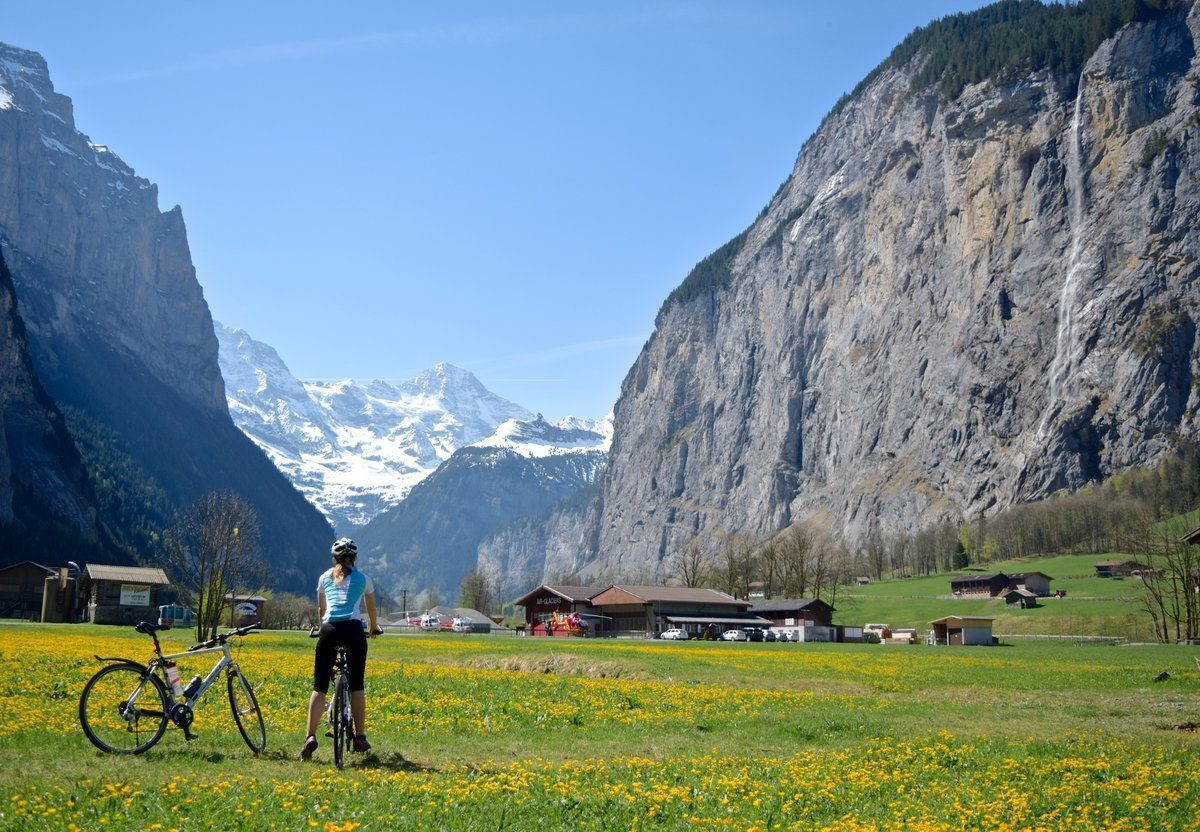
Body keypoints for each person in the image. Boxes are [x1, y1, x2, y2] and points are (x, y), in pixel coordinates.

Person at [301, 537, 379, 759]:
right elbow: (372, 611)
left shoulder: (324, 577)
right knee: (356, 685)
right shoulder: (364, 579)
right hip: (354, 631)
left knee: (319, 687)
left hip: (329, 630)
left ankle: (310, 736)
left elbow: (321, 608)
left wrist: (321, 628)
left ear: (334, 557)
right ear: (354, 558)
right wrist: (373, 628)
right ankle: (360, 737)